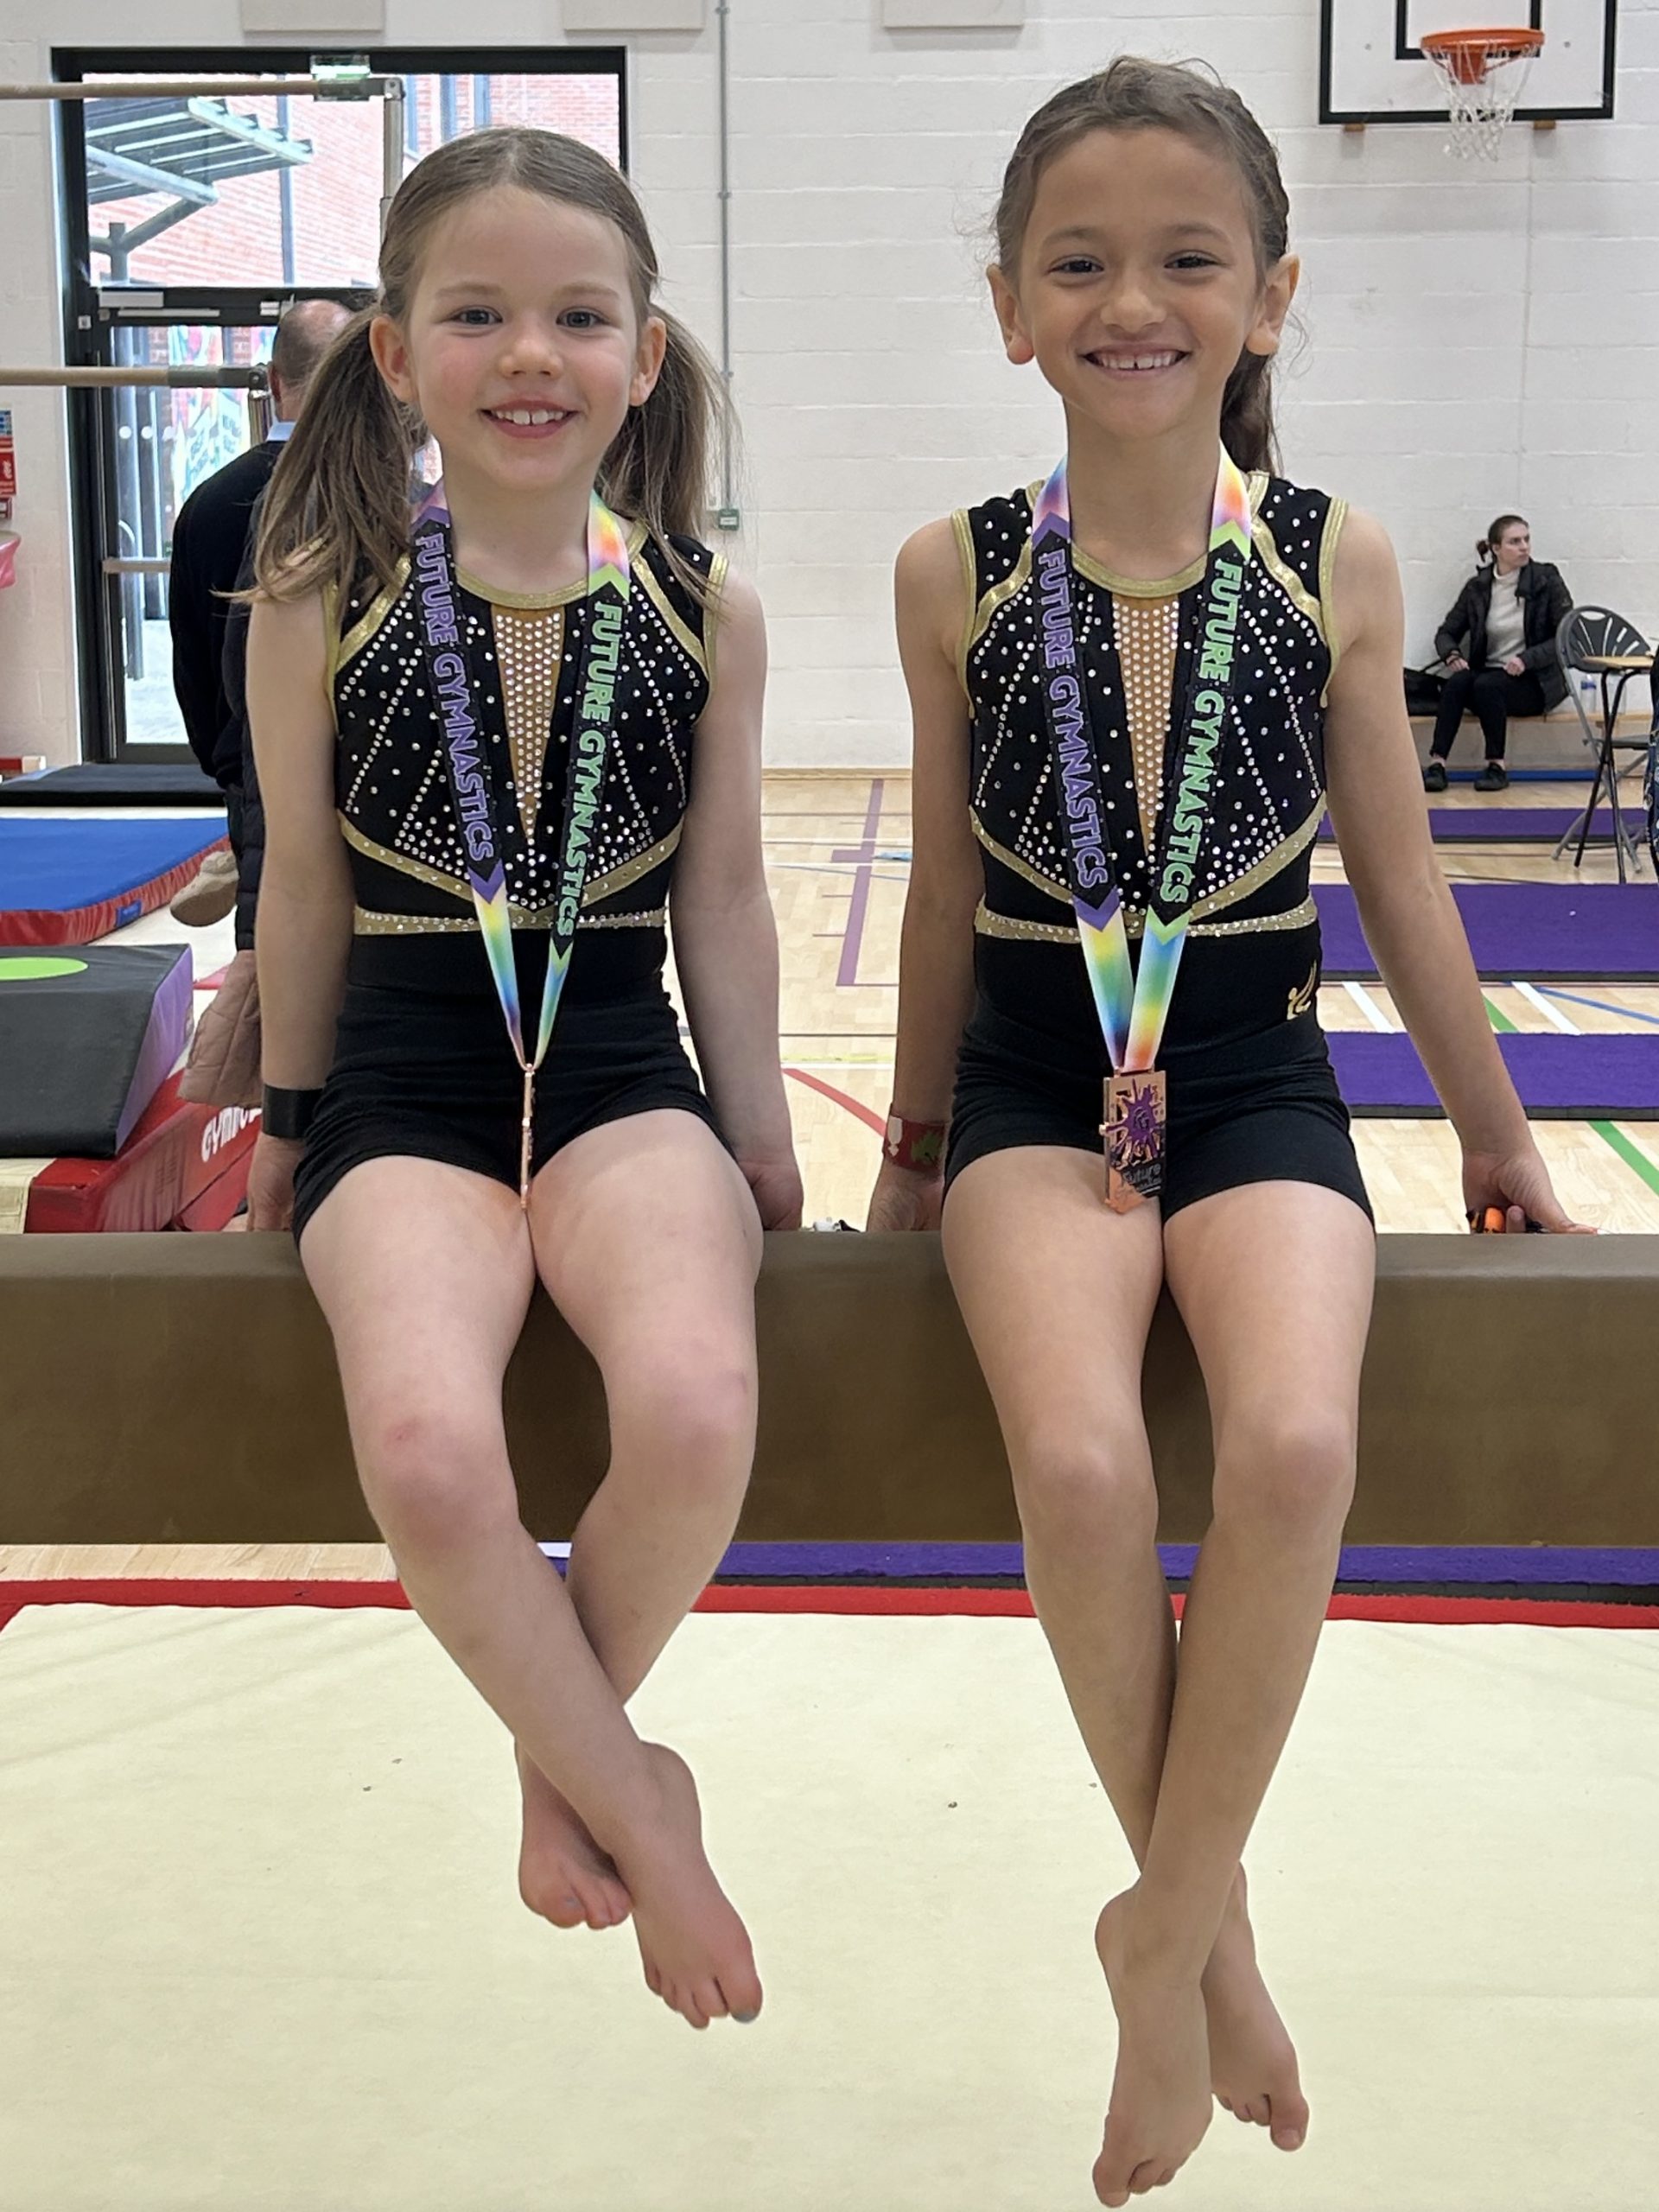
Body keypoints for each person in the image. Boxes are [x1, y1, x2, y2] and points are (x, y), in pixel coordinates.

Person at [866, 58, 1589, 2208]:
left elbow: (1403, 875)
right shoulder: (952, 570)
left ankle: (1156, 1935)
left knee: (1285, 1444)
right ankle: (1215, 1946)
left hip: (1258, 1072)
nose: (1131, 301)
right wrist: (911, 1129)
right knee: (1084, 1464)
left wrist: (1494, 1128)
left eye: (1186, 258)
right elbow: (938, 882)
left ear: (1269, 293)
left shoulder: (1327, 557)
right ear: (1010, 304)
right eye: (1078, 262)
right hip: (1033, 1077)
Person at [245, 127, 801, 2031]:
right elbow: (301, 884)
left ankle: (560, 1769)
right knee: (423, 1447)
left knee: (698, 1407)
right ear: (400, 358)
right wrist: (288, 1116)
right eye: (477, 314)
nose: (530, 354)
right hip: (405, 1079)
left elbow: (722, 891)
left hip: (624, 1072)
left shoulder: (702, 607)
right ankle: (639, 1800)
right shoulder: (324, 593)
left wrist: (761, 1130)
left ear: (644, 354)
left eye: (577, 314)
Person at [168, 299, 351, 925]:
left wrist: (225, 761)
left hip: (252, 765)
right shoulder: (379, 499)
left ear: (274, 383)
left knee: (273, 940)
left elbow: (193, 662)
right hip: (355, 766)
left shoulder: (211, 504)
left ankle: (241, 869)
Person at [1422, 515, 1572, 793]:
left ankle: (1496, 766)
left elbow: (1565, 635)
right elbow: (1446, 632)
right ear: (1496, 548)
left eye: (1526, 539)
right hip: (1489, 674)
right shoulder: (1478, 587)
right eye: (1515, 542)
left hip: (1535, 681)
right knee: (1457, 683)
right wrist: (1452, 655)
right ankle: (1437, 764)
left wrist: (1526, 659)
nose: (1524, 547)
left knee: (1487, 686)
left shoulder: (1546, 580)